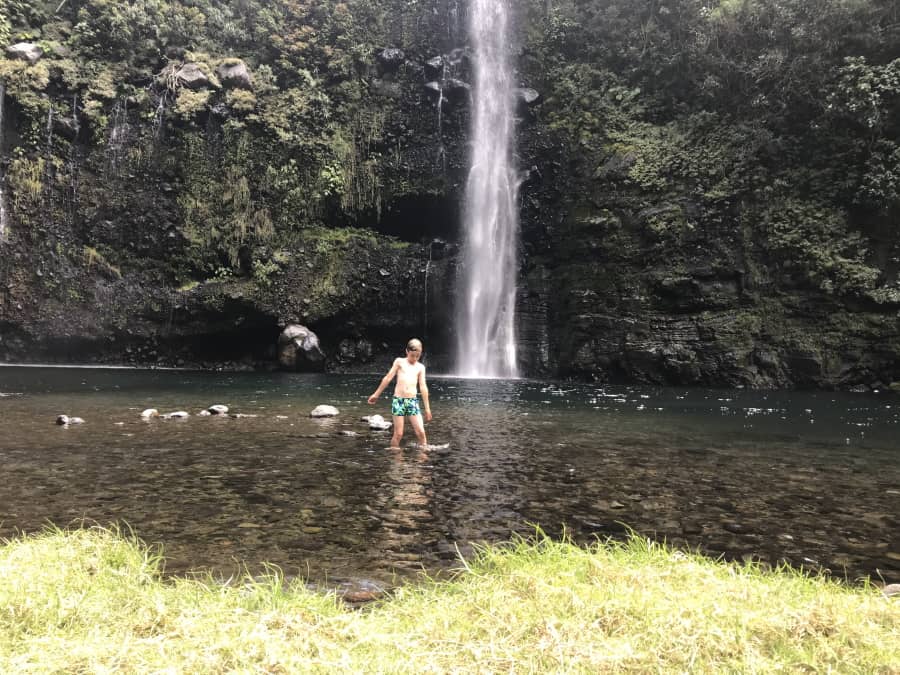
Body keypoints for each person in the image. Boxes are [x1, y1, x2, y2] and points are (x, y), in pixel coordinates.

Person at [367, 338, 432, 448]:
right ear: (407, 351)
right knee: (398, 434)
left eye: (417, 356)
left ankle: (423, 456)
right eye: (412, 355)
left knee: (421, 432)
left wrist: (427, 409)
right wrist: (376, 394)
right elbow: (388, 378)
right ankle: (395, 456)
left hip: (412, 402)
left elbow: (423, 387)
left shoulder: (420, 367)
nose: (414, 358)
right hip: (399, 401)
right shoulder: (399, 362)